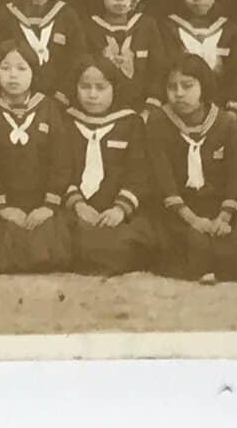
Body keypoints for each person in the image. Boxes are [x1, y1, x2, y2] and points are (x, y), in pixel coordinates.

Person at [145, 53, 237, 281]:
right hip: (179, 209)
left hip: (218, 206)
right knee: (191, 249)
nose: (179, 94)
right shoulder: (159, 121)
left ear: (204, 86)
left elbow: (236, 174)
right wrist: (193, 219)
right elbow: (163, 178)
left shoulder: (225, 122)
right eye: (172, 87)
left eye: (187, 86)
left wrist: (224, 217)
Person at [57, 60, 162, 275]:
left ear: (115, 87)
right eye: (85, 87)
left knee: (131, 239)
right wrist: (78, 205)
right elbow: (60, 169)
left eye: (101, 88)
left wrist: (119, 210)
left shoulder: (131, 123)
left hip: (117, 211)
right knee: (60, 236)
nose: (93, 95)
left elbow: (139, 173)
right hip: (78, 210)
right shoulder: (66, 122)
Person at [0, 45, 73, 274]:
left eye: (22, 68)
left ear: (33, 72)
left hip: (41, 202)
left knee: (50, 251)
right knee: (3, 256)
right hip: (1, 201)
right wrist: (2, 206)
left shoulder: (48, 107)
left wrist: (48, 206)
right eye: (5, 67)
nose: (13, 75)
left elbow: (61, 159)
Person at [0, 0, 86, 104]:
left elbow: (78, 58)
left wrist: (64, 92)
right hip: (16, 97)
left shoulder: (67, 14)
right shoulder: (7, 14)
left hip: (59, 97)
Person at [159, 0, 237, 109]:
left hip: (221, 106)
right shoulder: (168, 27)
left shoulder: (230, 30)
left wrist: (231, 108)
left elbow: (236, 76)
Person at [84, 0, 161, 112]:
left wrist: (150, 108)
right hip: (100, 108)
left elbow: (158, 70)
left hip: (142, 109)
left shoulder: (146, 25)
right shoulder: (89, 28)